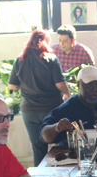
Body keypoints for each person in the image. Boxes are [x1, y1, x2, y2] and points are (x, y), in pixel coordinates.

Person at [8, 28, 70, 166]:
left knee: (38, 148)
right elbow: (59, 84)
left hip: (29, 110)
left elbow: (12, 85)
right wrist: (67, 94)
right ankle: (63, 172)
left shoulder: (20, 60)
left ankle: (39, 176)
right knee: (61, 143)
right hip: (51, 108)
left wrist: (26, 83)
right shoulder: (51, 59)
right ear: (46, 41)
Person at [40, 66, 97, 147]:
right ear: (78, 84)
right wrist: (56, 128)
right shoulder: (67, 108)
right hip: (74, 156)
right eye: (89, 84)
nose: (94, 88)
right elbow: (44, 136)